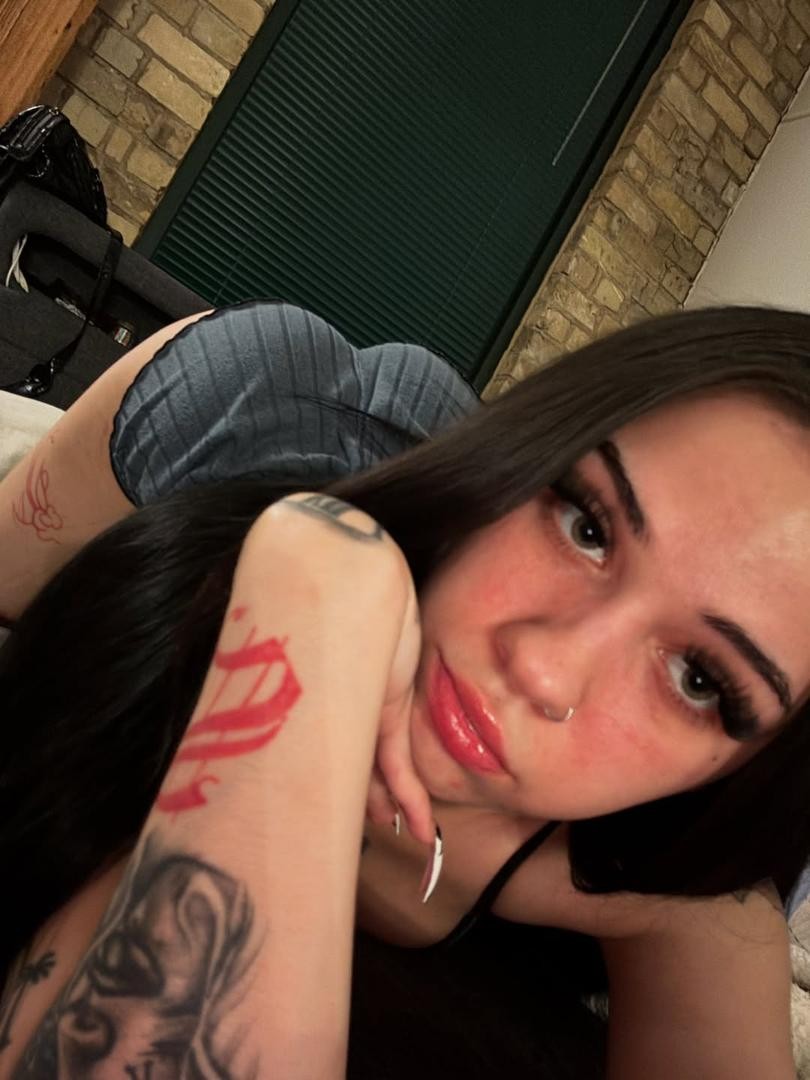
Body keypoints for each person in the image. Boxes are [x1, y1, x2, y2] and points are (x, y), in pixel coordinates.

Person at [0, 298, 808, 1079]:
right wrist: (316, 580)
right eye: (586, 526)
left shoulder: (690, 906)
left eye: (700, 680)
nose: (544, 667)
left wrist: (648, 910)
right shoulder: (234, 399)